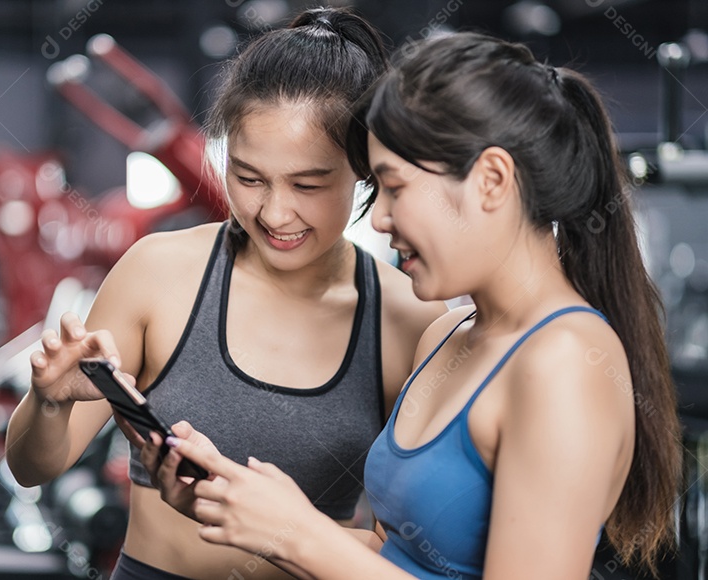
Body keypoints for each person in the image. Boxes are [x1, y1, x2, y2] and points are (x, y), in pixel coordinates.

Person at [164, 31, 684, 579]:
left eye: (394, 187)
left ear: (490, 181)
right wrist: (243, 507)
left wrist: (298, 534)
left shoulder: (566, 361)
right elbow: (400, 562)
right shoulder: (447, 335)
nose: (379, 218)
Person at [4, 8, 445, 580]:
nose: (274, 213)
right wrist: (49, 402)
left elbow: (406, 555)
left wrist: (274, 523)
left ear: (365, 169)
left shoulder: (408, 319)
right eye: (248, 177)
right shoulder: (158, 271)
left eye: (308, 185)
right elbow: (32, 467)